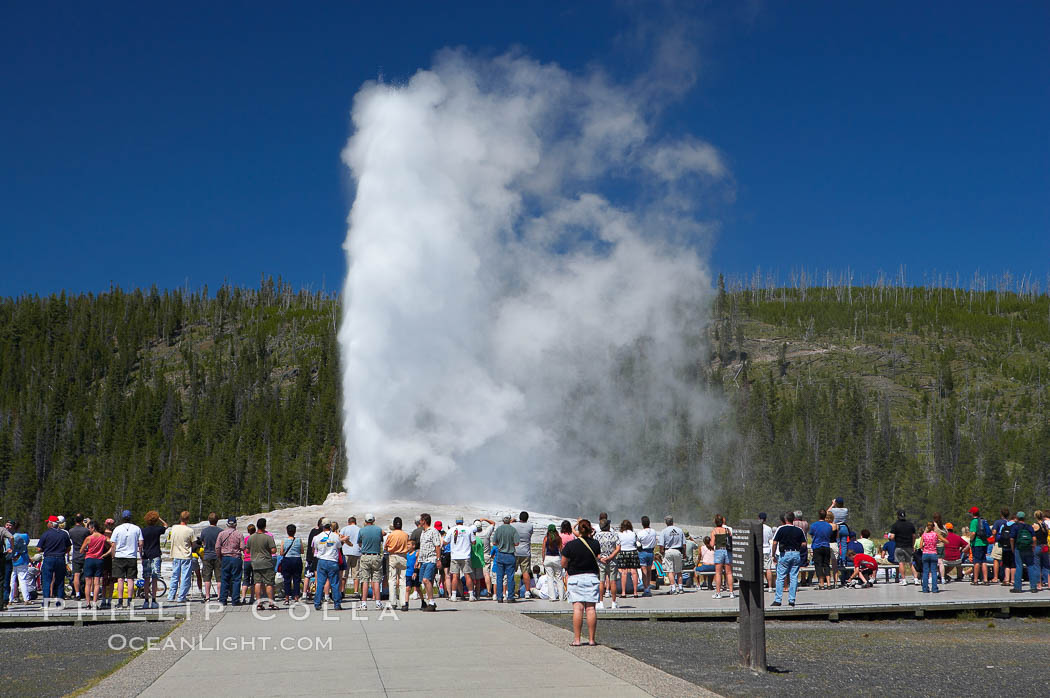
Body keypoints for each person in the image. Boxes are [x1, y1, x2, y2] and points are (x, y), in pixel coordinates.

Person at [562, 519, 601, 646]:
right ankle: (591, 639)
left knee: (578, 608)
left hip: (575, 578)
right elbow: (597, 557)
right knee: (591, 609)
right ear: (590, 529)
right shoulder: (595, 544)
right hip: (591, 577)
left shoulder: (570, 545)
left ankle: (577, 640)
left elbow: (563, 563)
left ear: (578, 530)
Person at [770, 512, 805, 606]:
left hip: (784, 553)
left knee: (780, 577)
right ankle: (792, 600)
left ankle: (778, 600)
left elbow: (774, 543)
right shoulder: (799, 530)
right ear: (793, 519)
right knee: (794, 577)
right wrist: (798, 549)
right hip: (796, 553)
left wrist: (773, 555)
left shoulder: (781, 529)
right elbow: (804, 544)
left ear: (785, 520)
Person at [111, 509, 143, 608]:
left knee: (120, 579)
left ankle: (120, 601)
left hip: (119, 556)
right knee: (130, 579)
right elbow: (141, 543)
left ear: (122, 518)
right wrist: (139, 553)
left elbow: (113, 544)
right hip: (131, 556)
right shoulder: (137, 528)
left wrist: (113, 556)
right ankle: (129, 601)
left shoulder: (117, 529)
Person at [311, 519, 345, 611]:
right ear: (330, 526)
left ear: (322, 526)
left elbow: (314, 549)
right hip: (332, 560)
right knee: (334, 583)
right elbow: (339, 547)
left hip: (322, 560)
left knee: (320, 583)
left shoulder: (317, 537)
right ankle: (337, 604)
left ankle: (317, 603)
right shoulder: (335, 536)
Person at [38, 515, 71, 607]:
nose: (47, 524)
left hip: (49, 558)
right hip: (60, 558)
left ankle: (46, 603)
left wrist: (45, 549)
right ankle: (59, 603)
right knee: (60, 581)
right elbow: (68, 547)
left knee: (46, 581)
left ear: (51, 524)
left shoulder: (46, 534)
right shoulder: (64, 534)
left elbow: (38, 548)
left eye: (48, 522)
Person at [80, 520, 111, 609]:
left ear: (93, 528)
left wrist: (87, 550)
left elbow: (81, 550)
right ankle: (94, 603)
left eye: (89, 528)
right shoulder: (103, 537)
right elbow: (112, 544)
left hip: (89, 559)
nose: (88, 530)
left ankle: (88, 603)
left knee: (88, 583)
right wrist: (105, 554)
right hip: (99, 559)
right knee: (97, 583)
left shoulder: (89, 538)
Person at [140, 511, 168, 609]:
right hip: (155, 555)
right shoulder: (158, 529)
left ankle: (146, 600)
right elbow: (166, 525)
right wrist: (159, 518)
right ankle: (154, 600)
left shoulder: (143, 531)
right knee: (155, 579)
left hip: (146, 555)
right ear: (155, 520)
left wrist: (140, 554)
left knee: (146, 579)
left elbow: (140, 544)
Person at [356, 513, 384, 610]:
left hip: (365, 556)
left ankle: (363, 603)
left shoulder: (362, 530)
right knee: (376, 580)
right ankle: (378, 603)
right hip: (376, 556)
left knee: (365, 580)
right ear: (373, 520)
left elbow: (359, 543)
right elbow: (381, 540)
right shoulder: (379, 529)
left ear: (365, 521)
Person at [165, 511, 194, 603]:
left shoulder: (174, 528)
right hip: (185, 555)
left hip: (175, 554)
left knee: (175, 576)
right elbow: (193, 543)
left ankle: (171, 595)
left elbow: (170, 538)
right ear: (188, 519)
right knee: (185, 576)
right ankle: (181, 596)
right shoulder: (190, 530)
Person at [248, 518, 278, 610]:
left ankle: (258, 603)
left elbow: (247, 550)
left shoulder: (251, 537)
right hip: (266, 562)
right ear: (265, 526)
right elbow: (273, 550)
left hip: (255, 562)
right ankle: (271, 602)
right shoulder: (267, 537)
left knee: (257, 582)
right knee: (269, 583)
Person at [415, 513, 442, 611]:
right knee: (425, 581)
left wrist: (438, 559)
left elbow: (437, 545)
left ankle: (431, 602)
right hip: (423, 560)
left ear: (424, 521)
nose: (419, 521)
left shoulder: (433, 531)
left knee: (426, 580)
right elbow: (422, 547)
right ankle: (430, 602)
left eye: (421, 520)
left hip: (431, 559)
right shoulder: (423, 532)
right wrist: (418, 560)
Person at [445, 516, 475, 602]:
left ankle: (453, 595)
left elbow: (445, 541)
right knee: (467, 575)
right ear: (462, 521)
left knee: (455, 576)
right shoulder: (468, 529)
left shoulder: (452, 530)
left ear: (456, 521)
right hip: (466, 555)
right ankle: (471, 595)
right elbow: (473, 542)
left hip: (455, 556)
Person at [491, 514, 518, 604]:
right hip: (510, 555)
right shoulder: (513, 530)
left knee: (499, 577)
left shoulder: (498, 529)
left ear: (503, 520)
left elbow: (494, 542)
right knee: (510, 577)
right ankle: (510, 597)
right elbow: (517, 543)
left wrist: (500, 545)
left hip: (500, 554)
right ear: (510, 520)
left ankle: (499, 597)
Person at [384, 517, 410, 610]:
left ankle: (393, 602)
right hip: (403, 556)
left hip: (393, 556)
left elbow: (386, 547)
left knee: (392, 580)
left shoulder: (391, 535)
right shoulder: (405, 535)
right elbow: (408, 545)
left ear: (394, 525)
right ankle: (403, 603)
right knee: (403, 580)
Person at [216, 516, 243, 606]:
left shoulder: (221, 534)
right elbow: (242, 547)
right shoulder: (239, 534)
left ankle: (223, 599)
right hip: (236, 557)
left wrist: (219, 556)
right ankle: (235, 600)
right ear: (235, 524)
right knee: (236, 579)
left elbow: (217, 547)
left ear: (227, 524)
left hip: (225, 557)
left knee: (224, 578)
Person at [1011, 511, 1040, 593]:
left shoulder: (1015, 526)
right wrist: (1033, 546)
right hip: (1028, 548)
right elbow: (1034, 538)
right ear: (1024, 518)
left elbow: (1011, 538)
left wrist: (1013, 548)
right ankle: (1033, 587)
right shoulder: (1029, 526)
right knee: (1031, 566)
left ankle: (1017, 587)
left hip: (1019, 548)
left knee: (1019, 566)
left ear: (1017, 518)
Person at [594, 518, 620, 609]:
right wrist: (610, 556)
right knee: (613, 581)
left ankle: (601, 602)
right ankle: (613, 602)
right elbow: (618, 548)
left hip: (601, 561)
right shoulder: (614, 535)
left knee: (601, 581)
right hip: (612, 560)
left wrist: (600, 558)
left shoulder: (596, 536)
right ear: (608, 526)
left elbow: (594, 549)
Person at [888, 510, 918, 585]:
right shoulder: (910, 525)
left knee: (901, 563)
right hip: (909, 546)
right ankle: (916, 579)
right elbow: (914, 536)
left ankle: (904, 580)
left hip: (899, 546)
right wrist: (913, 544)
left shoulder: (895, 525)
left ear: (898, 516)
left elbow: (892, 537)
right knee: (911, 563)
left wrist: (891, 537)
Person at [659, 516, 687, 595]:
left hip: (668, 551)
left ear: (666, 522)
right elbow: (684, 544)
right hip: (678, 551)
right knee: (679, 571)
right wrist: (684, 554)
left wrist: (663, 553)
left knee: (670, 571)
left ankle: (673, 588)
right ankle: (681, 588)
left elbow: (661, 545)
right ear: (672, 521)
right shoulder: (679, 530)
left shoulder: (664, 531)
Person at [198, 512, 222, 602]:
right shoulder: (220, 531)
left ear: (209, 520)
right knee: (219, 577)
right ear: (217, 520)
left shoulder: (204, 531)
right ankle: (219, 596)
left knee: (207, 577)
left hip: (207, 555)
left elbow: (202, 542)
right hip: (218, 555)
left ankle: (207, 597)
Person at [710, 515, 735, 599]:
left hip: (719, 551)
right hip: (727, 551)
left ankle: (718, 593)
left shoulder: (714, 531)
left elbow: (712, 544)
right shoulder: (727, 530)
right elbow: (731, 540)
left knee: (718, 573)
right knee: (729, 572)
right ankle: (731, 592)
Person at [512, 512, 535, 599]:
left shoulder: (514, 525)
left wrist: (512, 520)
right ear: (527, 518)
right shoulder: (530, 526)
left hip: (515, 551)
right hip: (526, 552)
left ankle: (510, 590)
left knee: (511, 572)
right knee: (525, 572)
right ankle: (527, 592)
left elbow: (507, 525)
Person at [919, 521, 946, 593]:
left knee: (925, 572)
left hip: (925, 554)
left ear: (927, 527)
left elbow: (920, 546)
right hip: (934, 554)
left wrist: (925, 547)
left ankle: (925, 589)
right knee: (934, 572)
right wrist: (938, 541)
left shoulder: (924, 535)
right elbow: (946, 541)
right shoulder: (935, 534)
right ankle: (934, 588)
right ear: (933, 527)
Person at [67, 514, 90, 602]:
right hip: (85, 553)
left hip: (76, 553)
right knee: (88, 575)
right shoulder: (85, 530)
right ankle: (88, 593)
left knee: (76, 575)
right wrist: (86, 525)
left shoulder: (71, 531)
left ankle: (77, 593)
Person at [809, 510, 833, 590]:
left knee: (818, 565)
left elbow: (812, 534)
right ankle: (829, 583)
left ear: (819, 515)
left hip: (817, 546)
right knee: (826, 564)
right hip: (826, 546)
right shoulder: (829, 526)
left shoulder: (814, 525)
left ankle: (821, 584)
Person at [8, 521, 30, 605]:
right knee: (23, 580)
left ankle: (10, 599)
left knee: (11, 580)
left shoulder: (8, 537)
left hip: (11, 559)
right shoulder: (25, 536)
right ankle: (26, 599)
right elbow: (27, 543)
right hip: (22, 559)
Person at [617, 520, 641, 598]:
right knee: (634, 572)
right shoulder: (633, 533)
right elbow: (637, 543)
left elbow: (618, 544)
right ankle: (635, 592)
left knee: (624, 572)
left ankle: (623, 593)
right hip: (633, 552)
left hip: (623, 552)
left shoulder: (619, 534)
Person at [280, 524, 304, 603]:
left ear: (287, 531)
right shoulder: (298, 540)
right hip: (297, 559)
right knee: (296, 579)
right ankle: (296, 596)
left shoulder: (284, 541)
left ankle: (287, 597)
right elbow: (302, 551)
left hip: (287, 560)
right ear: (295, 531)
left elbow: (281, 553)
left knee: (287, 579)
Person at [968, 506, 990, 585]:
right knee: (984, 561)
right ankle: (985, 579)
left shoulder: (974, 521)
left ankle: (975, 579)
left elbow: (973, 533)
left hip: (977, 543)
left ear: (973, 513)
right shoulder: (982, 520)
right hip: (984, 543)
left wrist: (971, 539)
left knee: (977, 561)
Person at [339, 516, 361, 596]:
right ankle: (356, 592)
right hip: (356, 552)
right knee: (356, 573)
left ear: (348, 522)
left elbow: (340, 538)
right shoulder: (359, 529)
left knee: (345, 573)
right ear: (355, 522)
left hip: (346, 552)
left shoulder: (344, 529)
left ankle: (342, 591)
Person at [636, 516, 657, 596]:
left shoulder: (640, 533)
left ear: (642, 524)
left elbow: (638, 544)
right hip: (651, 551)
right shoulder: (654, 531)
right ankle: (648, 587)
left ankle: (646, 589)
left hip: (643, 552)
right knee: (649, 571)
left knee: (643, 572)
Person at [470, 520, 491, 600]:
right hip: (479, 561)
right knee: (478, 579)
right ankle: (478, 595)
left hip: (471, 560)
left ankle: (472, 593)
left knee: (472, 578)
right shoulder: (479, 540)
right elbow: (481, 552)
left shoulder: (470, 540)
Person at [541, 524, 563, 601]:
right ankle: (561, 597)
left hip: (548, 558)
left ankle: (552, 597)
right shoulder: (559, 538)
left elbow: (543, 550)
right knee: (559, 578)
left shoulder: (546, 538)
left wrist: (543, 559)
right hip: (557, 558)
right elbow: (561, 550)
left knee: (549, 578)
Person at [241, 524, 256, 603]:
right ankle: (252, 597)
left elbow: (243, 549)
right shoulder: (256, 538)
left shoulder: (246, 539)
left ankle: (243, 597)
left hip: (246, 560)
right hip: (255, 560)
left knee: (246, 579)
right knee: (254, 580)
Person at [759, 512, 775, 591]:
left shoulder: (756, 527)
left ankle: (760, 585)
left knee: (759, 569)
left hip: (759, 549)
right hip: (767, 548)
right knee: (768, 568)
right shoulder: (768, 528)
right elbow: (770, 538)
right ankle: (770, 587)